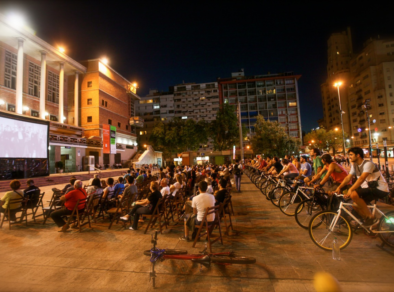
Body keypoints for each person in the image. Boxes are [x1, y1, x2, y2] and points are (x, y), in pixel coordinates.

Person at [334, 147, 389, 226]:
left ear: (358, 155)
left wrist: (351, 190)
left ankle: (371, 217)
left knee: (353, 194)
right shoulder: (355, 165)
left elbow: (361, 179)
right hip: (369, 188)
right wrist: (339, 187)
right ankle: (369, 221)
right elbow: (348, 178)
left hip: (379, 188)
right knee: (355, 205)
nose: (349, 157)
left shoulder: (368, 164)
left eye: (351, 155)